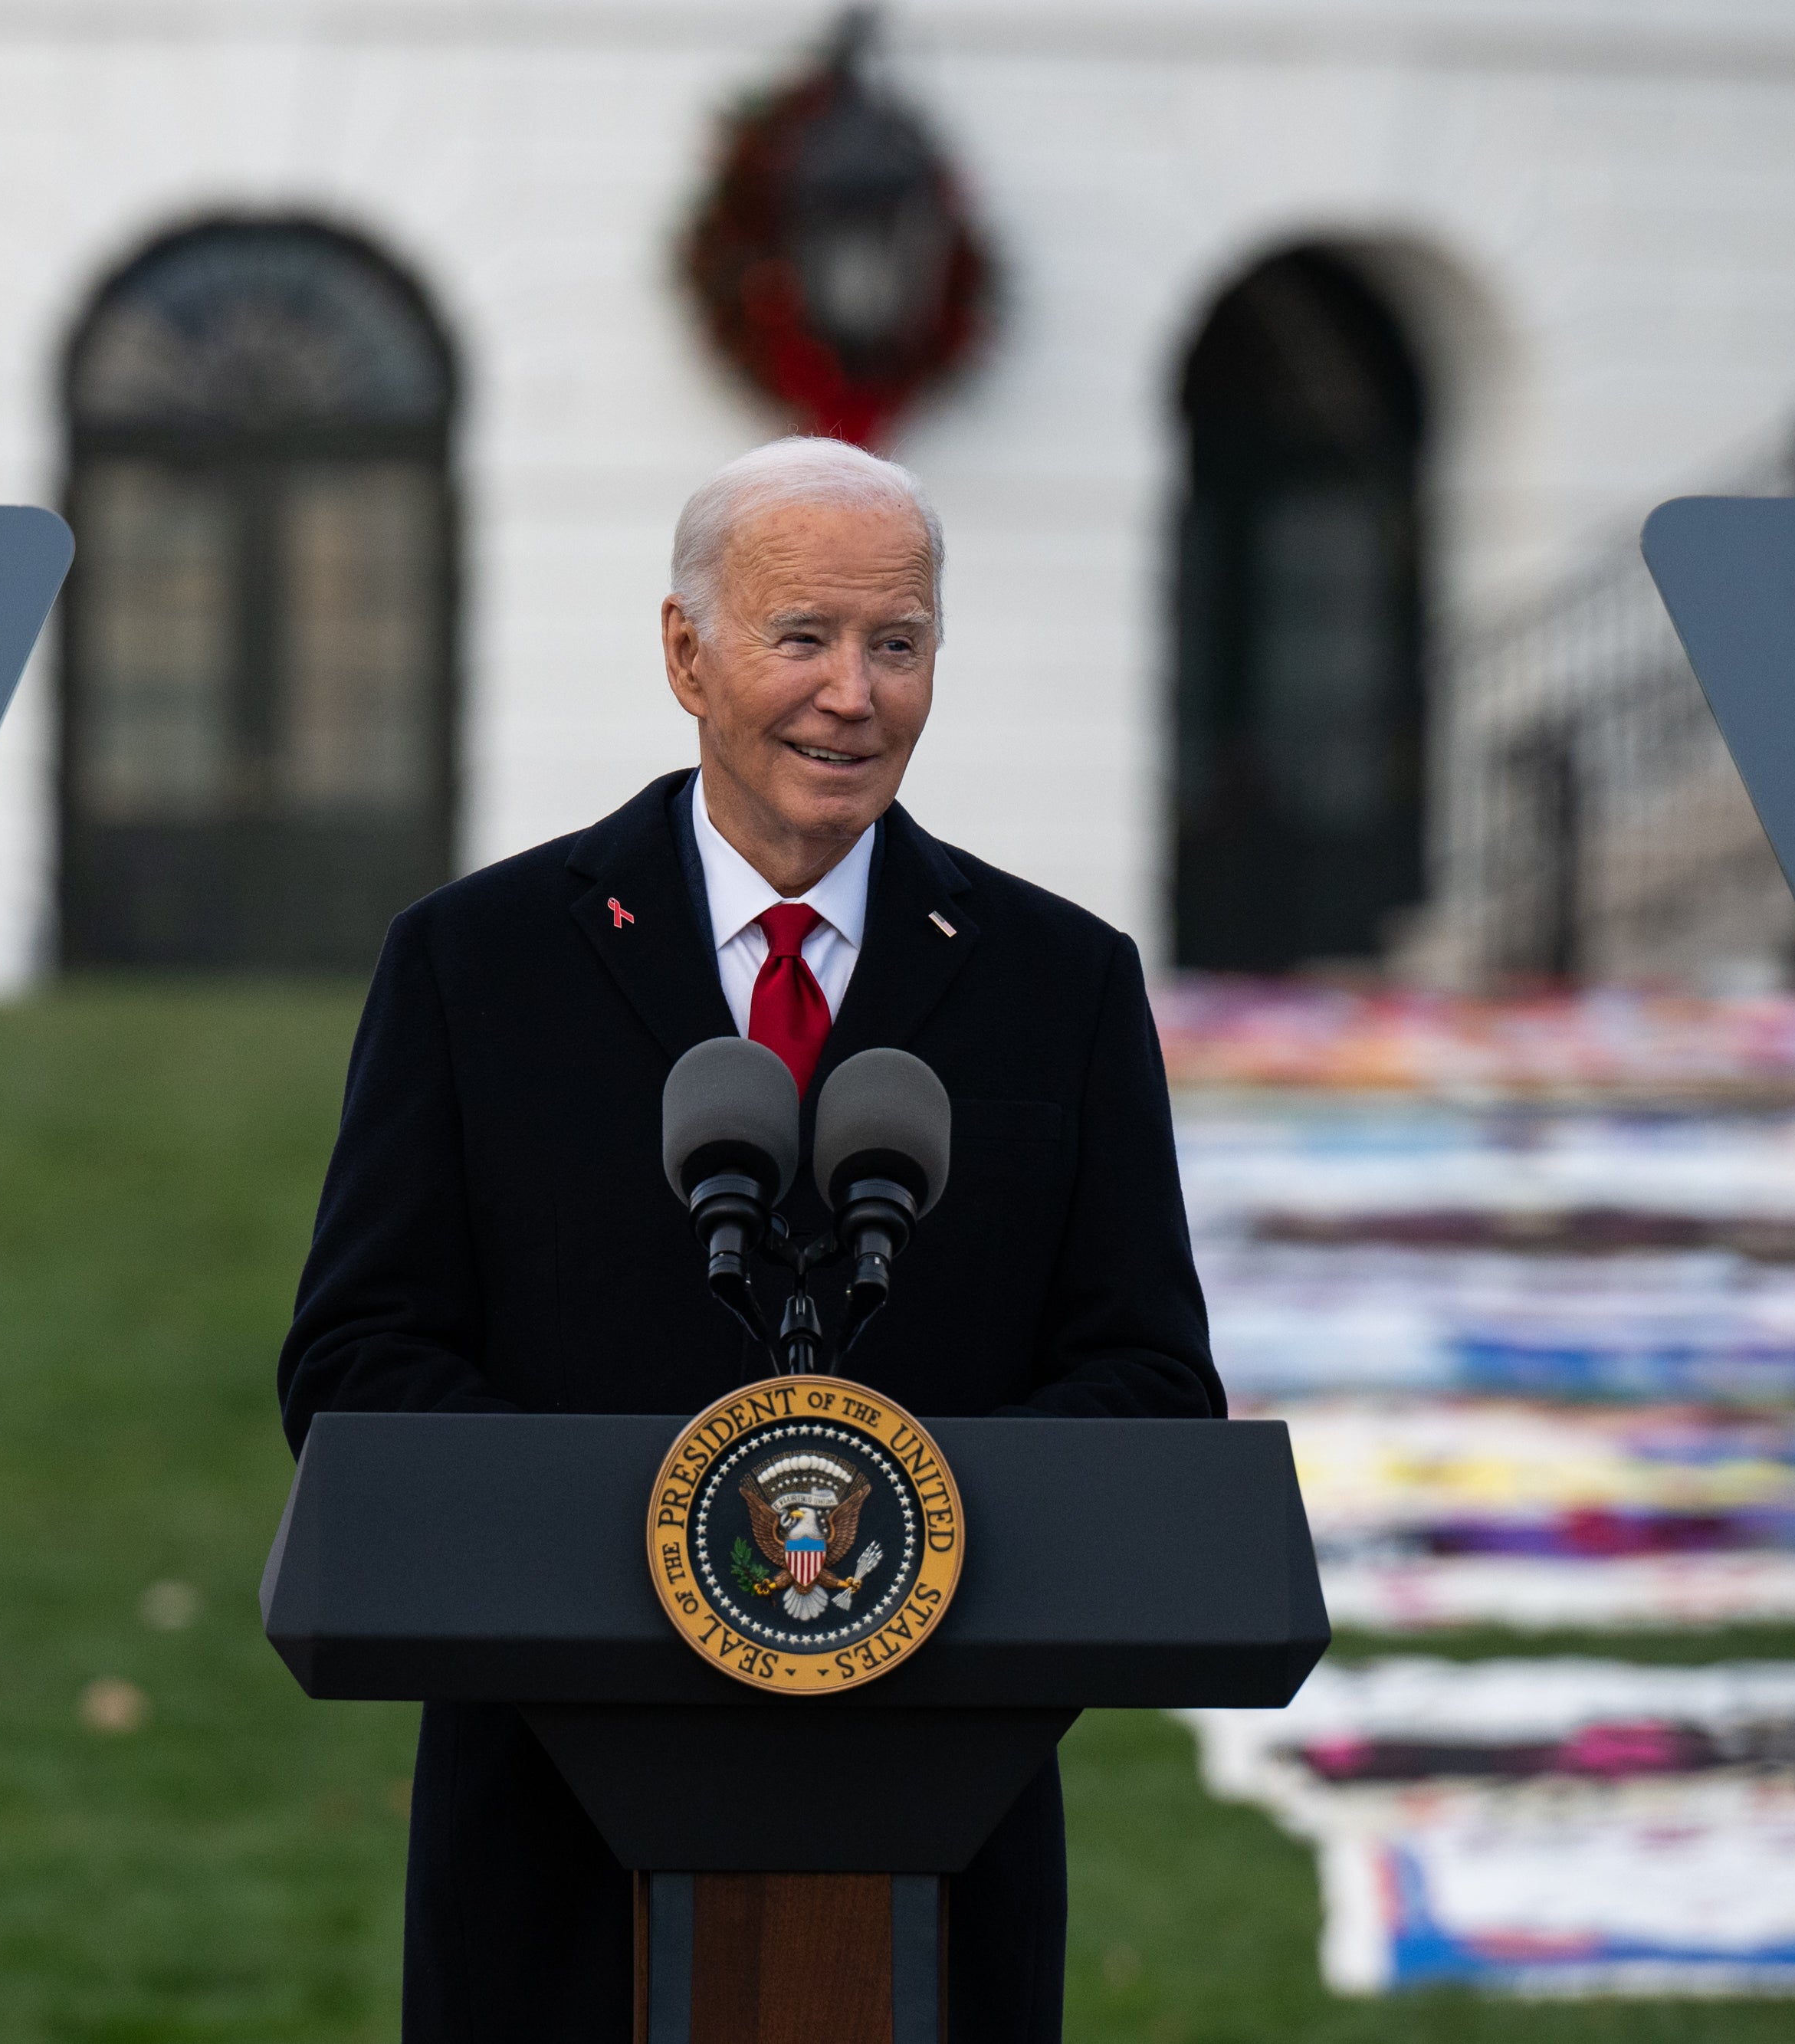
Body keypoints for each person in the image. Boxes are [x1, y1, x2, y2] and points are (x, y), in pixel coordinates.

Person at [278, 436, 1220, 2042]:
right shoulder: (475, 963)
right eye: (802, 636)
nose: (851, 693)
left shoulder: (1056, 982)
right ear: (684, 651)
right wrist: (648, 1535)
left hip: (940, 1813)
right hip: (558, 1827)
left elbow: (1144, 1375)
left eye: (897, 642)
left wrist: (900, 1529)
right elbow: (358, 1360)